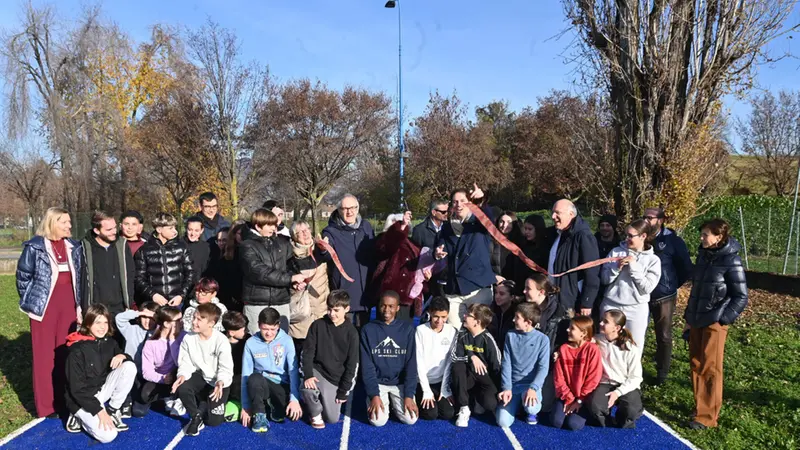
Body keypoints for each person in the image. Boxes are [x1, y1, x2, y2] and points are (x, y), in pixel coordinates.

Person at [17, 207, 83, 418]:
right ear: (52, 223)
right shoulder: (35, 247)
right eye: (64, 222)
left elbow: (79, 278)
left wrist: (79, 306)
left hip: (69, 306)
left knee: (65, 353)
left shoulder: (74, 247)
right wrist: (33, 302)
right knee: (44, 357)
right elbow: (23, 277)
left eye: (69, 222)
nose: (69, 226)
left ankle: (64, 400)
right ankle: (46, 406)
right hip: (44, 309)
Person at [684, 219, 748, 430]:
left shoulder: (732, 260)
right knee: (696, 363)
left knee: (710, 368)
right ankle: (699, 407)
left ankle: (707, 417)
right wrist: (688, 319)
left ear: (719, 237)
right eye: (701, 234)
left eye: (706, 234)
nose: (701, 238)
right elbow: (696, 291)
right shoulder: (703, 256)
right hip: (696, 319)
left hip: (714, 322)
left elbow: (741, 296)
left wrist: (723, 319)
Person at [63, 305, 137, 442]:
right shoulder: (76, 350)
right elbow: (77, 389)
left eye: (105, 322)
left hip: (101, 391)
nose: (102, 327)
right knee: (109, 436)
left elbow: (126, 359)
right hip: (81, 399)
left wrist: (122, 356)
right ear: (88, 323)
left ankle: (113, 410)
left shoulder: (110, 342)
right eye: (97, 322)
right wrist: (99, 411)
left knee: (129, 366)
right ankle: (77, 415)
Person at [435, 184, 499, 329]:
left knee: (478, 330)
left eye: (463, 201)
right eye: (455, 202)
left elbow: (488, 219)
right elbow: (440, 245)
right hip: (454, 290)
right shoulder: (447, 227)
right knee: (455, 331)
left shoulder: (479, 223)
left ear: (470, 202)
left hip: (477, 287)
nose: (458, 205)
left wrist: (481, 201)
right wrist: (437, 252)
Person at [643, 207, 693, 384]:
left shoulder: (673, 241)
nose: (646, 220)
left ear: (661, 220)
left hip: (663, 296)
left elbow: (686, 267)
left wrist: (671, 284)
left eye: (650, 217)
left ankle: (662, 373)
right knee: (637, 333)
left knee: (663, 334)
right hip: (641, 294)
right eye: (644, 217)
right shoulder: (641, 237)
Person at [240, 208, 306, 333]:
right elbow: (258, 272)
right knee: (257, 339)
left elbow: (290, 265)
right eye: (269, 225)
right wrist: (290, 278)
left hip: (281, 301)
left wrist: (294, 282)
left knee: (281, 339)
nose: (273, 228)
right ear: (258, 226)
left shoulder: (282, 243)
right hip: (257, 302)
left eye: (274, 225)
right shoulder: (247, 245)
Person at [173, 303, 234, 436]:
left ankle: (204, 404)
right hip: (201, 377)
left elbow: (226, 367)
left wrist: (221, 382)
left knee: (213, 421)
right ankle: (195, 417)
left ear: (211, 323)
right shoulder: (188, 338)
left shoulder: (221, 340)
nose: (194, 322)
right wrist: (182, 375)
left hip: (218, 383)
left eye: (199, 319)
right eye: (194, 318)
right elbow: (185, 363)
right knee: (183, 387)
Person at [302, 290, 360, 428]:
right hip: (317, 371)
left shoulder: (352, 333)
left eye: (336, 310)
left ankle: (320, 399)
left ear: (347, 309)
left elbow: (352, 365)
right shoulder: (317, 325)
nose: (332, 313)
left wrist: (343, 391)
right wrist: (308, 375)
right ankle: (315, 412)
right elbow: (307, 353)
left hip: (335, 378)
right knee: (307, 388)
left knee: (332, 419)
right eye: (329, 309)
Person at [600, 220, 662, 348]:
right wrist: (616, 268)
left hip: (636, 309)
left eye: (631, 236)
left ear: (643, 236)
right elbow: (604, 280)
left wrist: (634, 267)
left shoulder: (653, 260)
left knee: (633, 346)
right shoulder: (616, 252)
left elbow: (647, 288)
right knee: (605, 345)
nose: (627, 239)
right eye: (626, 235)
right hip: (611, 305)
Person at [360, 291, 418, 427]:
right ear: (378, 306)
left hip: (399, 383)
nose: (386, 310)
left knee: (411, 419)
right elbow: (367, 367)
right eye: (383, 305)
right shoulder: (368, 329)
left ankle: (393, 404)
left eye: (391, 306)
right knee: (378, 421)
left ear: (397, 308)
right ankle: (379, 401)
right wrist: (374, 395)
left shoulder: (407, 330)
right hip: (378, 383)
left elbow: (411, 364)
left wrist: (409, 395)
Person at [241, 308, 303, 433]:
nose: (269, 333)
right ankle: (259, 415)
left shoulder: (287, 340)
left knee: (283, 415)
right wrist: (245, 406)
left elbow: (293, 371)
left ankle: (272, 405)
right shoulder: (250, 343)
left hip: (281, 386)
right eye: (265, 329)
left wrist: (295, 399)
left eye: (272, 329)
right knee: (254, 378)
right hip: (261, 383)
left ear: (278, 326)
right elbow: (246, 374)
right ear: (259, 325)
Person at [321, 194, 375, 328]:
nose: (349, 212)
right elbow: (326, 256)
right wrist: (323, 249)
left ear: (357, 208)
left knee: (364, 332)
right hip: (344, 292)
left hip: (365, 292)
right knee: (344, 333)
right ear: (339, 210)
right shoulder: (330, 231)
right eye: (345, 209)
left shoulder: (366, 227)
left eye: (352, 208)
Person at [496, 303, 550, 427]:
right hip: (513, 386)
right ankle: (518, 404)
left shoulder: (543, 339)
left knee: (532, 408)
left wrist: (533, 388)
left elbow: (543, 368)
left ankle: (529, 410)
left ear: (528, 322)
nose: (513, 320)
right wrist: (506, 388)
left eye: (517, 317)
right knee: (502, 422)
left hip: (529, 386)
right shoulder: (510, 335)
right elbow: (506, 363)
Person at [523, 273, 570, 413]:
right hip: (525, 363)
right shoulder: (523, 308)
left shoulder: (559, 312)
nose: (524, 291)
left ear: (541, 292)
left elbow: (566, 340)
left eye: (528, 288)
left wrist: (558, 350)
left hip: (548, 364)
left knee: (542, 407)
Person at [589, 310, 643, 429]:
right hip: (605, 383)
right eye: (602, 320)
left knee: (630, 411)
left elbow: (636, 378)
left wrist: (618, 392)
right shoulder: (597, 340)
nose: (601, 323)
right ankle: (606, 418)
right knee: (595, 409)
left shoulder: (630, 349)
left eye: (606, 322)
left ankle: (630, 412)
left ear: (617, 328)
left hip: (625, 384)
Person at [546, 199, 600, 316]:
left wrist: (587, 302)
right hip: (556, 298)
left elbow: (592, 271)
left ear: (571, 214)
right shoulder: (559, 234)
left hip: (573, 301)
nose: (553, 217)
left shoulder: (583, 236)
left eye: (557, 213)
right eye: (553, 213)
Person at [450, 303, 501, 428]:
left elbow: (497, 366)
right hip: (467, 376)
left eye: (468, 315)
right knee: (458, 367)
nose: (464, 316)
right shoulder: (462, 334)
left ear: (477, 322)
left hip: (483, 378)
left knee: (490, 404)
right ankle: (464, 407)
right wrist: (471, 357)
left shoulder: (488, 339)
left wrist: (499, 390)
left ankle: (476, 397)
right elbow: (454, 357)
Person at [550, 316, 602, 431]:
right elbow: (559, 378)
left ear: (583, 333)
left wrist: (579, 400)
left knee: (573, 424)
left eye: (572, 328)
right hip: (566, 396)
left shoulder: (592, 350)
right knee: (556, 422)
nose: (567, 330)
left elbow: (593, 378)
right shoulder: (563, 349)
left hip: (583, 398)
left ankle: (586, 412)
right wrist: (568, 397)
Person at [134, 213, 195, 309]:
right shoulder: (144, 250)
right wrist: (153, 295)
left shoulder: (182, 248)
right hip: (153, 304)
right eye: (170, 228)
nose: (175, 231)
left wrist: (181, 295)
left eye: (175, 227)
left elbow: (190, 274)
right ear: (159, 229)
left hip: (176, 303)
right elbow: (139, 278)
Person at [81, 211, 135, 317]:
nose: (114, 232)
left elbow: (130, 275)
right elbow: (82, 280)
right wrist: (85, 308)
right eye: (109, 230)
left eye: (115, 227)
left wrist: (128, 303)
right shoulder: (85, 247)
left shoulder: (122, 245)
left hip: (120, 309)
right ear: (97, 230)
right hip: (96, 309)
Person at [371, 212, 422, 321]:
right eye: (397, 223)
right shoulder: (382, 241)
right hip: (387, 298)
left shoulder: (413, 245)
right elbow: (388, 246)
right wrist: (400, 227)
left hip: (407, 298)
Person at [287, 220, 330, 351]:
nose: (305, 234)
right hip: (301, 312)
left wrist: (324, 249)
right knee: (302, 350)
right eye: (300, 232)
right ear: (294, 237)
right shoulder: (288, 255)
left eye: (307, 230)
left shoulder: (320, 250)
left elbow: (331, 261)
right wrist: (294, 286)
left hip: (322, 309)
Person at [137, 306, 186, 418]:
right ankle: (167, 396)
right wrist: (162, 378)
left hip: (178, 375)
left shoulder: (184, 337)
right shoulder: (151, 343)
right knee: (144, 396)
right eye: (178, 320)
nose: (181, 322)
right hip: (161, 378)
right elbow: (147, 372)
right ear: (166, 324)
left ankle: (179, 398)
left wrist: (172, 340)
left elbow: (180, 362)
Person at [415, 296, 456, 421]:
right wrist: (426, 390)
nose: (439, 321)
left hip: (440, 382)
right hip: (422, 382)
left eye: (443, 317)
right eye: (436, 316)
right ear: (430, 313)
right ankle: (416, 396)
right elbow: (419, 362)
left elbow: (449, 362)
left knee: (448, 413)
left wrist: (445, 389)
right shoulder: (420, 331)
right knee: (431, 414)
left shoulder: (452, 331)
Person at [114, 301, 159, 417]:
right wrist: (138, 313)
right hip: (133, 373)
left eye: (152, 318)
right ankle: (126, 401)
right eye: (145, 317)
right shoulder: (131, 329)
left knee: (139, 412)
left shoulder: (158, 333)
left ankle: (152, 399)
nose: (147, 321)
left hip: (148, 375)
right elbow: (119, 318)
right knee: (127, 379)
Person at [411, 199, 449, 297]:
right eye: (443, 212)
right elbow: (415, 255)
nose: (446, 214)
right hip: (427, 280)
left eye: (447, 211)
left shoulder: (449, 228)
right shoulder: (419, 230)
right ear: (434, 212)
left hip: (446, 277)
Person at [209, 222, 246, 312]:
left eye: (224, 240)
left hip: (234, 298)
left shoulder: (237, 254)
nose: (221, 243)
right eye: (219, 240)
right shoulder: (215, 255)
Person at [511, 215, 548, 287]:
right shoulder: (522, 245)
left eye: (530, 229)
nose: (526, 232)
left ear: (538, 229)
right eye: (525, 228)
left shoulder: (545, 247)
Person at [221, 311, 250, 406]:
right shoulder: (219, 340)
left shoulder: (248, 340)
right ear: (231, 332)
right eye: (243, 329)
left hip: (240, 376)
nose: (247, 331)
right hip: (223, 376)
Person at [490, 280, 522, 351]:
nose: (497, 296)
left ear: (512, 297)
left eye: (502, 294)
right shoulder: (491, 311)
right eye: (496, 293)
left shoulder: (517, 314)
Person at [491, 211, 523, 279]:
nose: (504, 225)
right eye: (501, 221)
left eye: (509, 222)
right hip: (497, 280)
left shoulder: (520, 242)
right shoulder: (491, 241)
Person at [184, 215, 211, 281]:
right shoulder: (179, 245)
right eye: (190, 230)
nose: (192, 234)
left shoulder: (206, 247)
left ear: (201, 230)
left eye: (196, 230)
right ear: (186, 229)